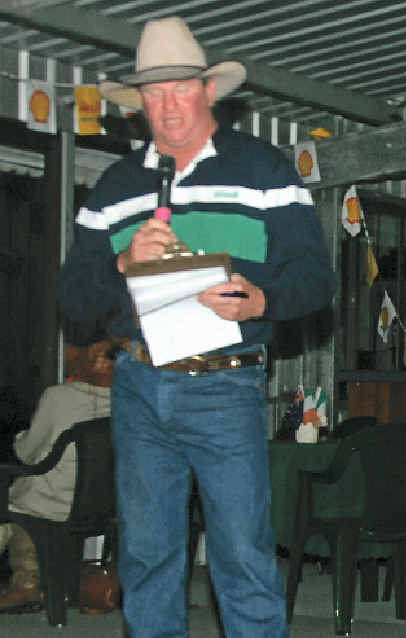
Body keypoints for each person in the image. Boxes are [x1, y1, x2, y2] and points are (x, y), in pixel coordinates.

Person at [55, 16, 336, 638]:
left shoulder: (265, 171)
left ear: (209, 91)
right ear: (140, 105)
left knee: (243, 555)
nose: (169, 105)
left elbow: (317, 279)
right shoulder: (114, 187)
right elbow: (73, 299)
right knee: (147, 556)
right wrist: (121, 263)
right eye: (154, 93)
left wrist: (260, 301)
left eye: (181, 87)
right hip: (137, 383)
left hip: (224, 386)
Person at [0, 337, 115, 613]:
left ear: (95, 357)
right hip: (104, 503)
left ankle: (27, 584)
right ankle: (27, 584)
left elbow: (27, 452)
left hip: (54, 501)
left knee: (13, 503)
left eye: (72, 349)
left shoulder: (59, 397)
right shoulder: (131, 400)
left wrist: (18, 438)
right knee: (26, 497)